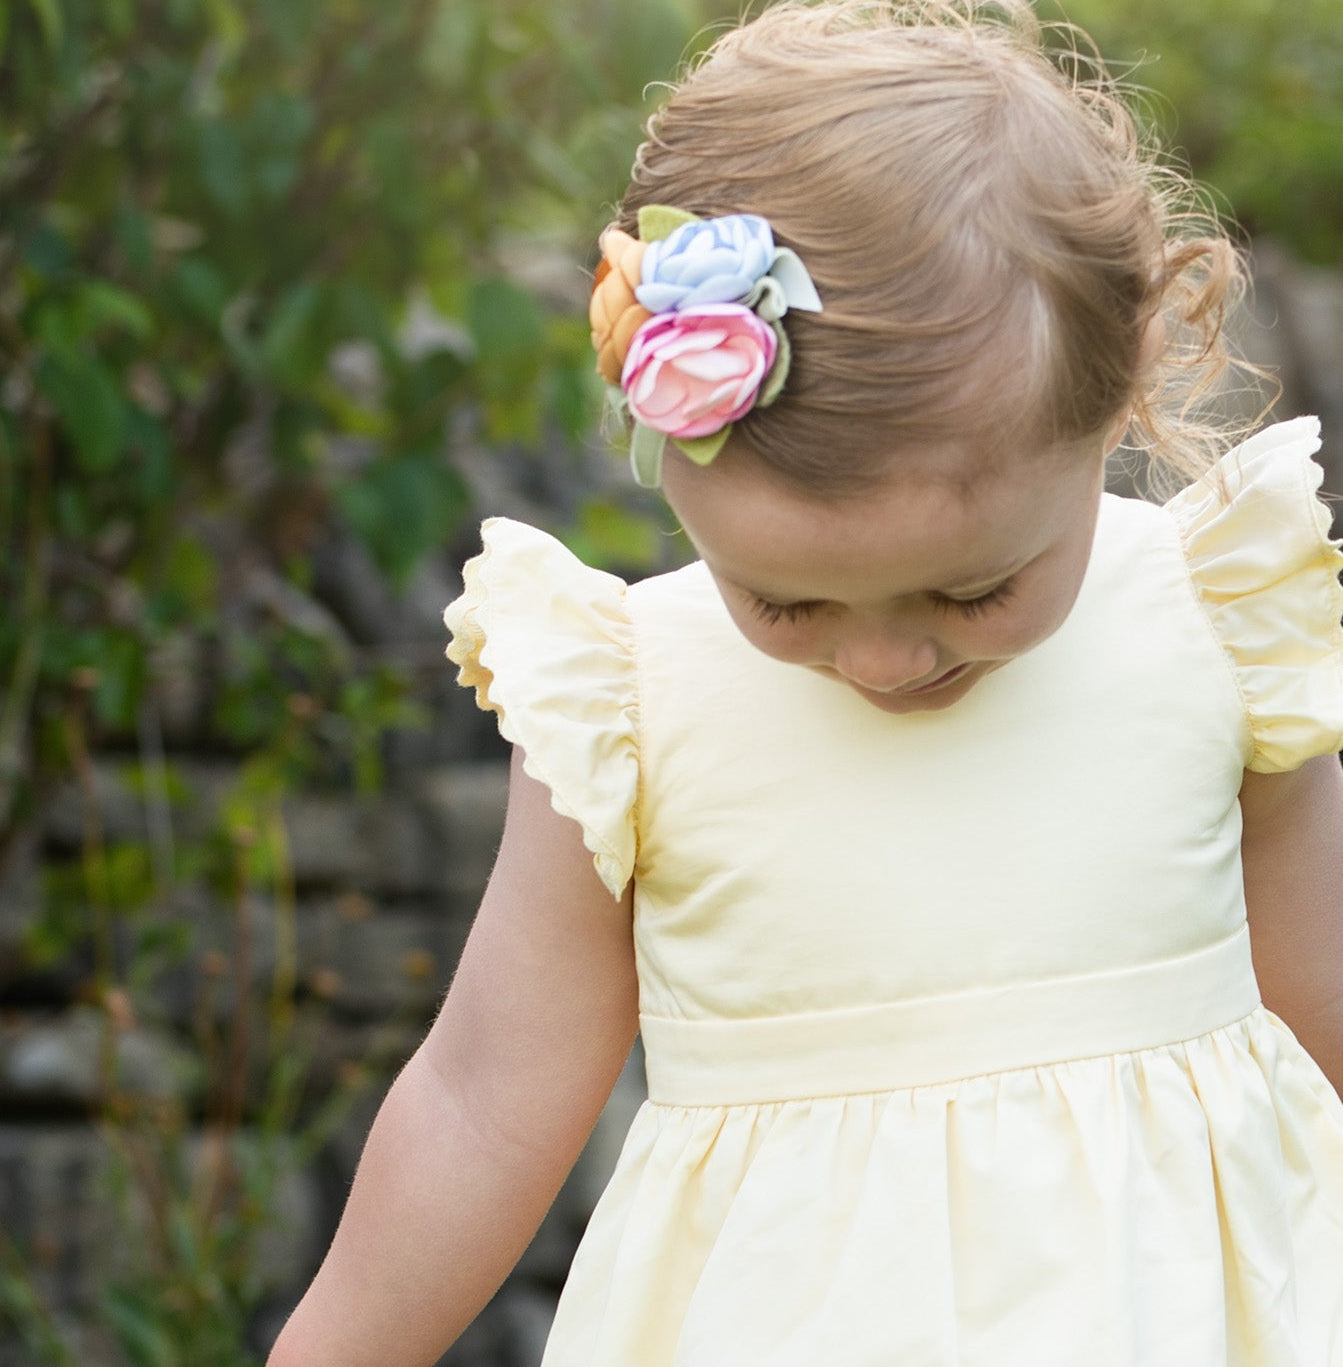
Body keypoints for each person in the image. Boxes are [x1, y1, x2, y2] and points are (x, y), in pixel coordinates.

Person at [268, 3, 1343, 1364]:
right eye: (784, 600)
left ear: (1117, 388)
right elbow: (485, 1097)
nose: (886, 656)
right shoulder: (635, 706)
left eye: (970, 590)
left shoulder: (1216, 626)